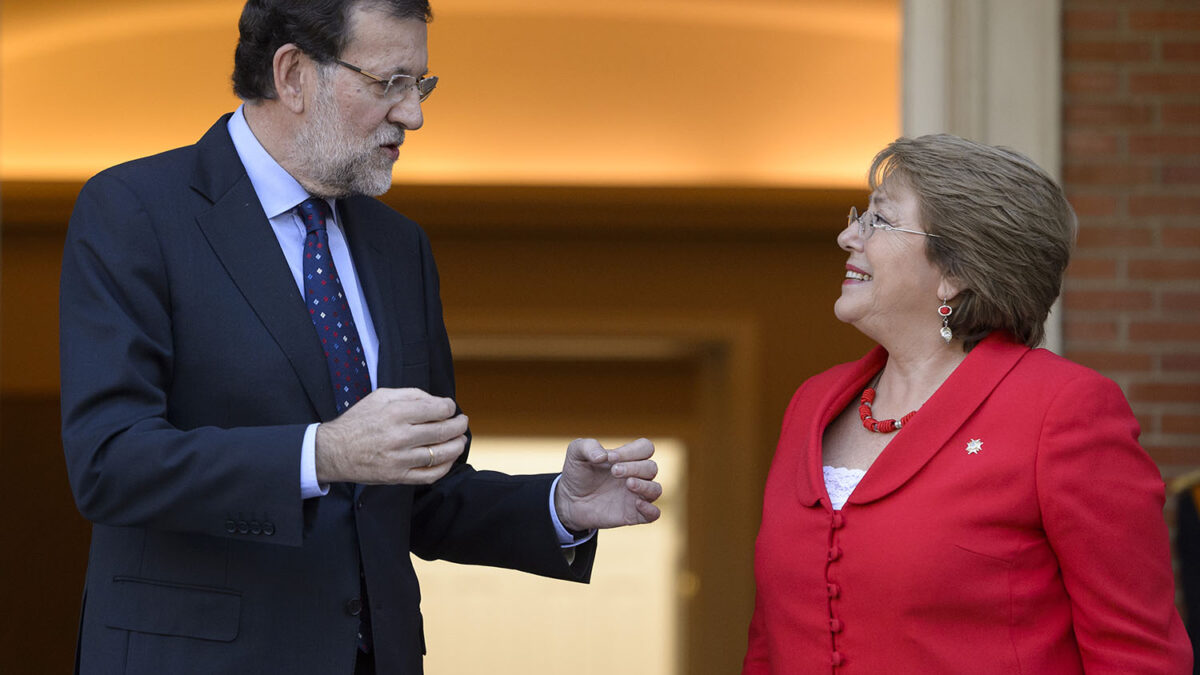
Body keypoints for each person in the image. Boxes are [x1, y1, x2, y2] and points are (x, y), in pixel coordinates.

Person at [59, 1, 662, 673]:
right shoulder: (135, 212)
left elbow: (420, 491)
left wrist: (559, 505)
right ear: (293, 76)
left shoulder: (399, 246)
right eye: (390, 83)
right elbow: (110, 462)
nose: (414, 114)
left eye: (422, 86)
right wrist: (324, 452)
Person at [741, 134, 1192, 673]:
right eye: (859, 216)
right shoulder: (813, 403)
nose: (847, 236)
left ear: (956, 273)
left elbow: (1137, 654)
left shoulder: (1065, 409)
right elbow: (769, 643)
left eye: (879, 221)